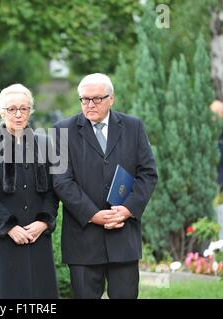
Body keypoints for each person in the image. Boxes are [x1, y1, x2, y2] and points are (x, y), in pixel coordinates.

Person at [52, 73, 158, 299]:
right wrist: (93, 214)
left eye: (97, 99)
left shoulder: (133, 127)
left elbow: (147, 174)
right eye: (84, 99)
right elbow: (61, 181)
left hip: (123, 237)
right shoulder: (62, 130)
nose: (90, 105)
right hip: (83, 240)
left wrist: (128, 209)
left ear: (111, 99)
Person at [0, 84, 59, 299]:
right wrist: (10, 227)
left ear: (31, 111)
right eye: (12, 109)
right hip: (3, 240)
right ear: (1, 112)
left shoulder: (45, 143)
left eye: (24, 108)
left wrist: (44, 222)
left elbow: (52, 191)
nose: (18, 114)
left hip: (37, 237)